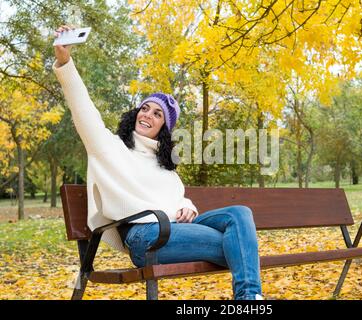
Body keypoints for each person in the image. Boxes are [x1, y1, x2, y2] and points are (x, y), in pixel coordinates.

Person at [53, 25, 263, 300]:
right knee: (236, 244)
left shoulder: (165, 166)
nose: (147, 115)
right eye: (145, 108)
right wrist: (65, 62)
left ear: (163, 128)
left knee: (240, 214)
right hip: (145, 237)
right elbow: (83, 108)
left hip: (174, 229)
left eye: (157, 114)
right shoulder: (108, 147)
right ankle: (249, 299)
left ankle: (249, 299)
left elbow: (177, 198)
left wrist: (187, 207)